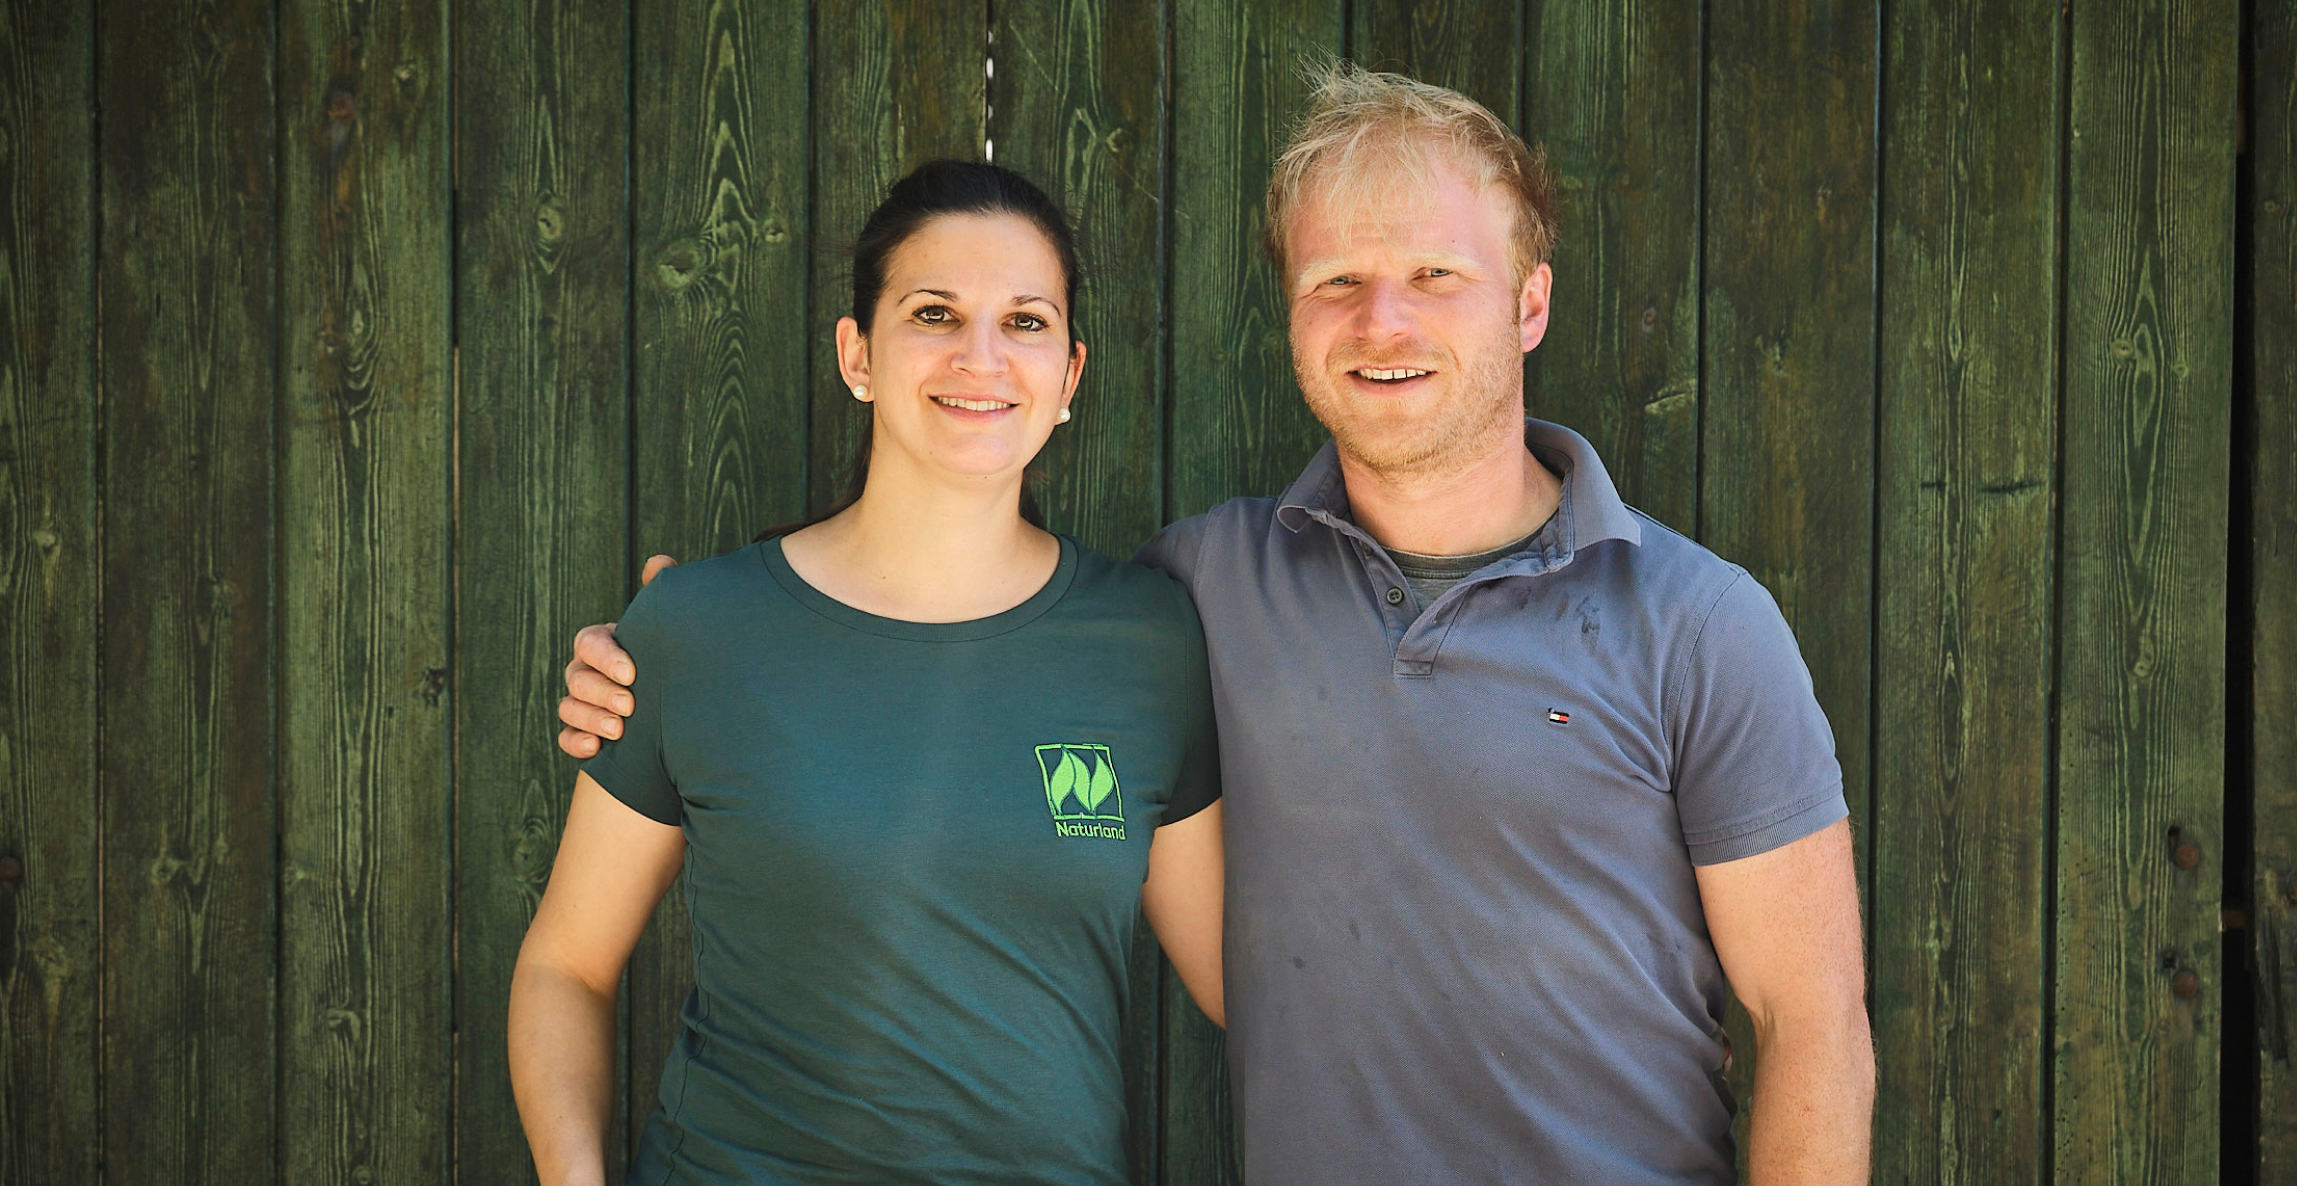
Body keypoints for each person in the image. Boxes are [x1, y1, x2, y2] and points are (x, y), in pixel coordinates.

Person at [561, 68, 1874, 1183]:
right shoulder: (1195, 594)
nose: (1385, 321)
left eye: (1437, 275)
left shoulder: (1702, 623)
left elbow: (1810, 1022)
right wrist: (679, 646)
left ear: (1529, 303)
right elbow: (960, 629)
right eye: (1337, 280)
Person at [512, 159, 1227, 1186]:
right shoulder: (698, 627)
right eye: (935, 312)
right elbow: (563, 968)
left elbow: (1243, 983)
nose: (981, 356)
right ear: (859, 354)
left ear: (1069, 375)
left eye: (1025, 322)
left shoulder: (1150, 641)